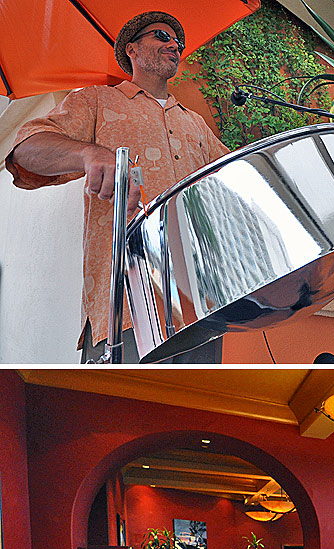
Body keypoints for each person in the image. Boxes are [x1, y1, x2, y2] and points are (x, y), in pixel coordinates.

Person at [5, 11, 229, 363]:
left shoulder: (196, 123)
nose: (175, 45)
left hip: (203, 303)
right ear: (132, 50)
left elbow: (234, 184)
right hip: (124, 303)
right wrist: (88, 153)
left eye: (178, 41)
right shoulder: (95, 101)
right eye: (161, 36)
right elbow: (27, 149)